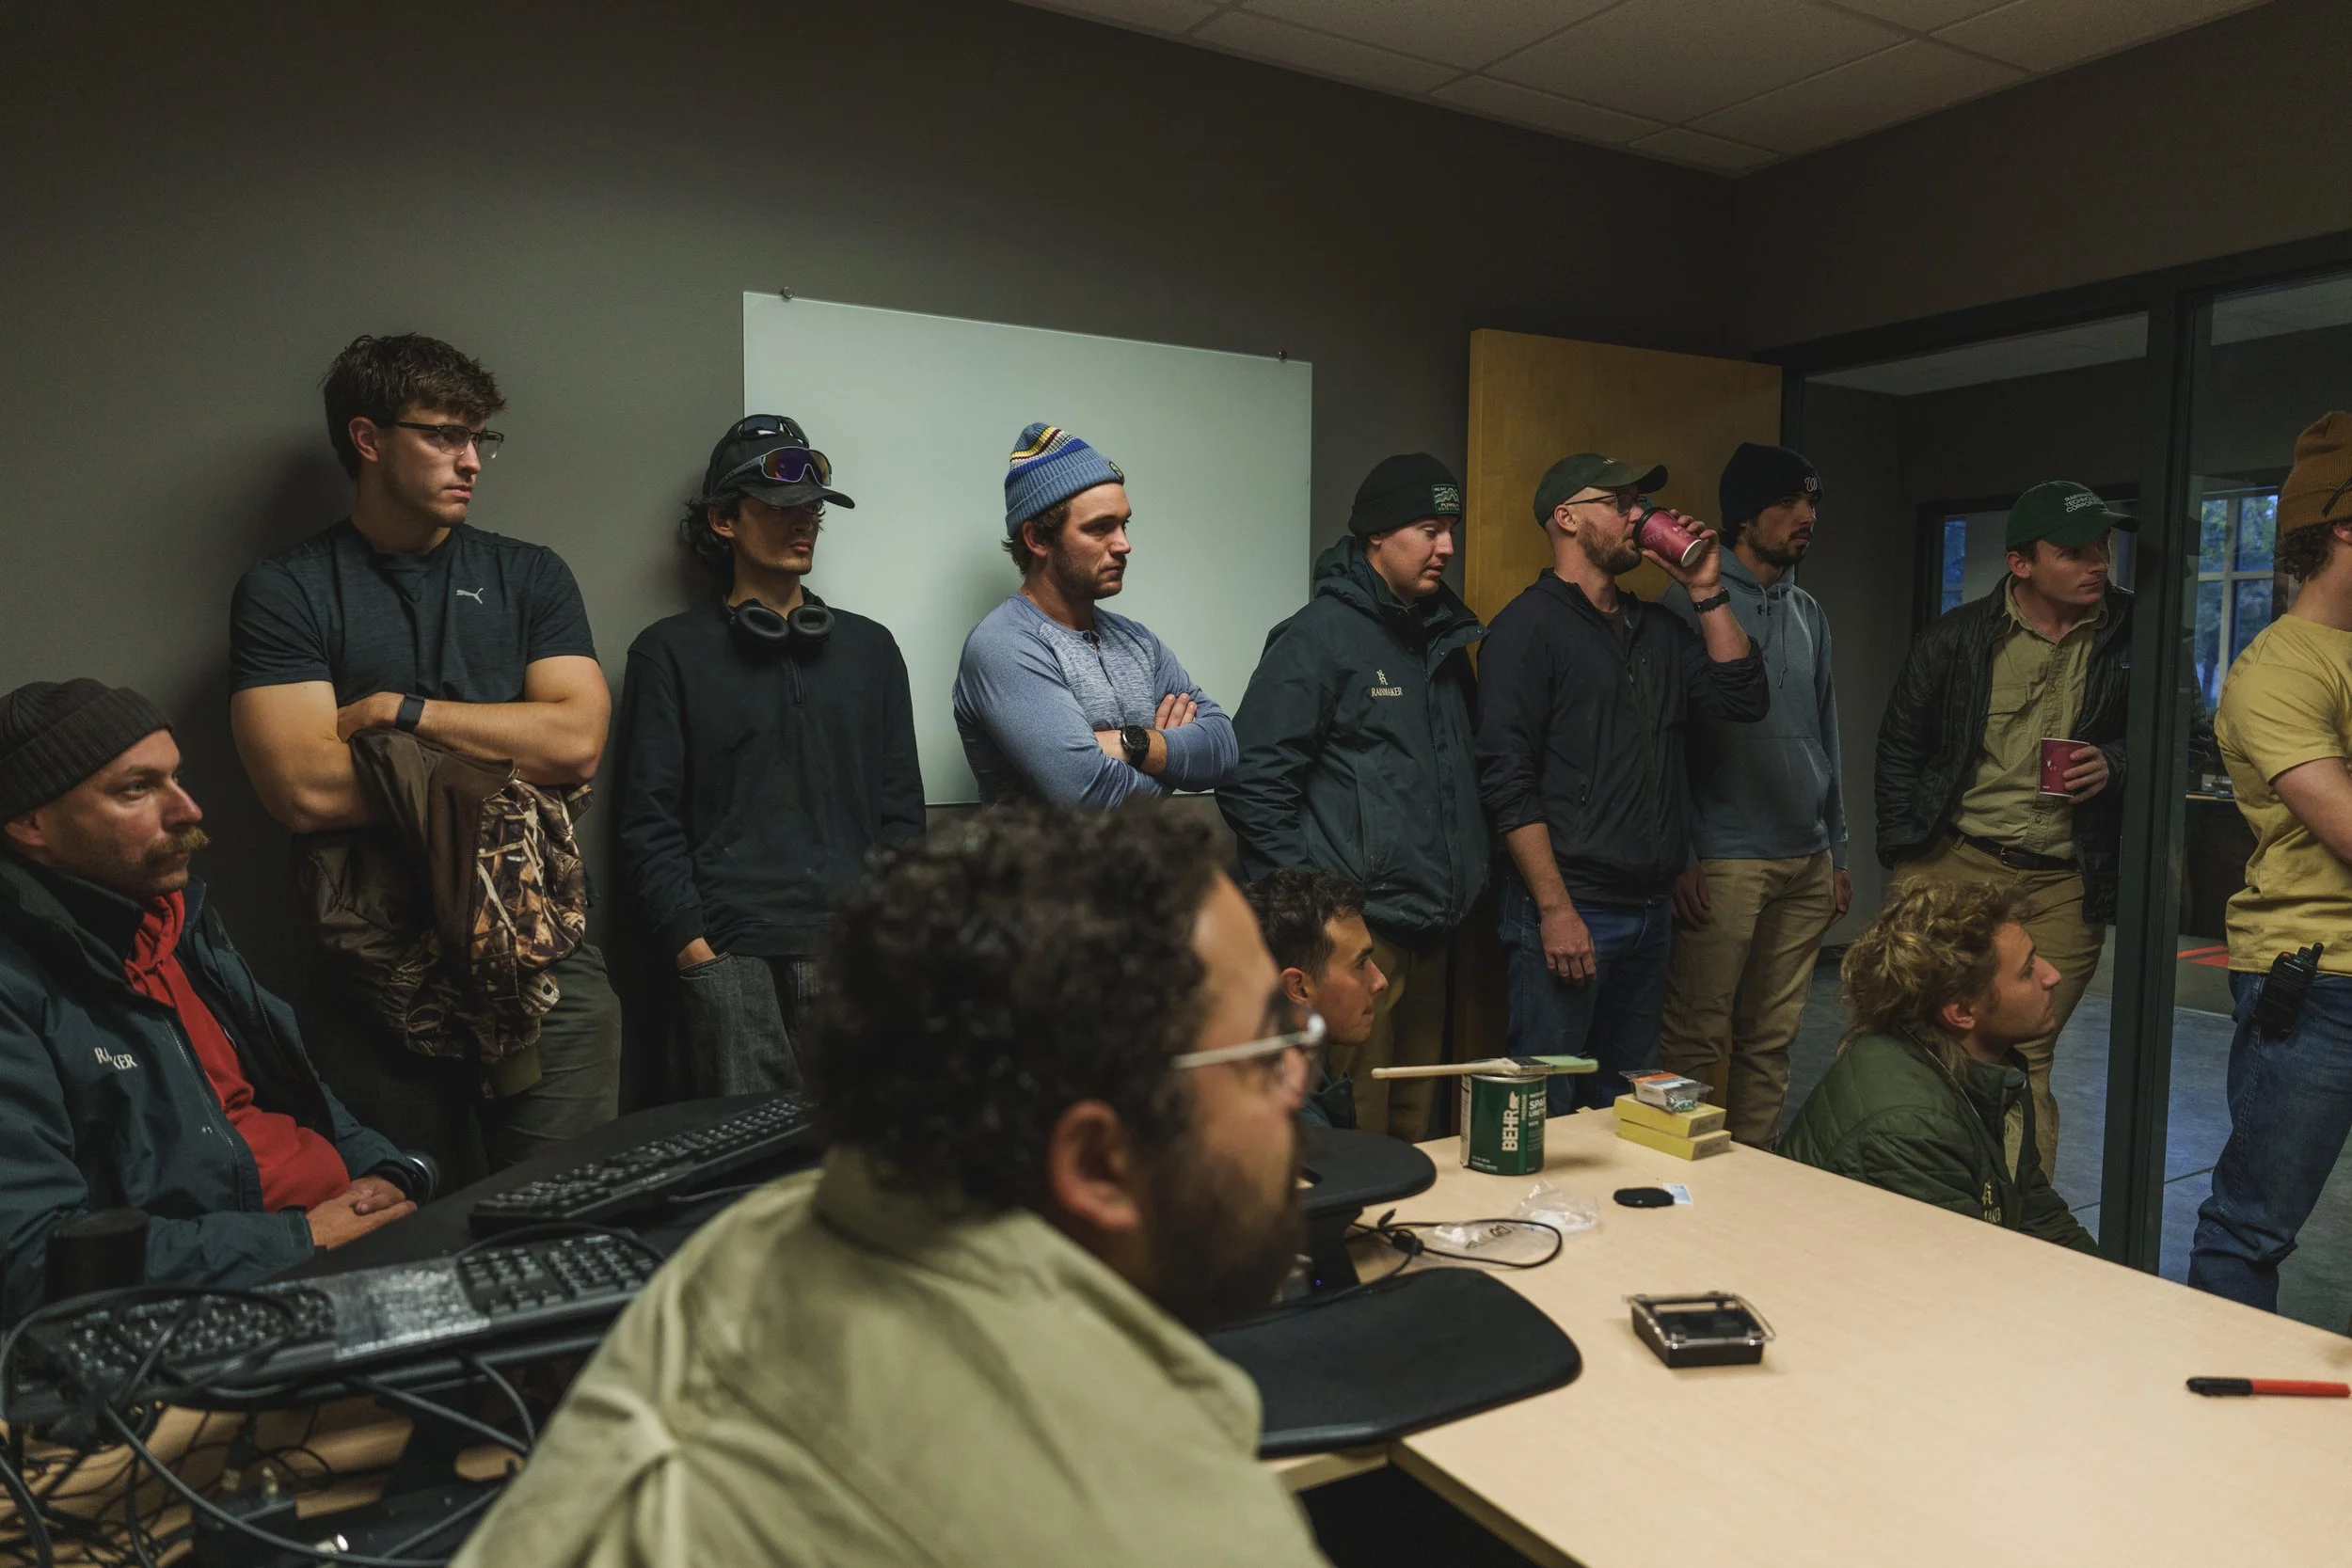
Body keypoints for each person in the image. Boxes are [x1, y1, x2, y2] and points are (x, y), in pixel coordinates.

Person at [448, 806, 1329, 1568]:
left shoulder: (758, 1237)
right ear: (1099, 1163)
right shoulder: (1181, 1533)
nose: (1301, 1079)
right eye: (1264, 1053)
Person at [229, 333, 621, 1178]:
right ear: (368, 440)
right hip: (374, 962)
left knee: (570, 1209)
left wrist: (397, 716)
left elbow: (578, 739)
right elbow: (301, 787)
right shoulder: (288, 589)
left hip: (540, 946)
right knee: (405, 1223)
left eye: (481, 437)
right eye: (444, 435)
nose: (471, 459)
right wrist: (505, 754)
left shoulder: (531, 576)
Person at [0, 682, 428, 1324]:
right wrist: (300, 1240)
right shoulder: (19, 985)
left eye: (176, 778)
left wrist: (390, 1170)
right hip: (232, 1303)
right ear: (31, 823)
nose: (188, 810)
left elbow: (298, 1097)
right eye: (136, 789)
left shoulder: (178, 921)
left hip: (336, 1246)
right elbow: (35, 1261)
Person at [616, 415, 923, 1099]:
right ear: (725, 520)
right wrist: (694, 946)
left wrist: (890, 938)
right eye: (781, 506)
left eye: (812, 508)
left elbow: (901, 811)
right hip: (731, 959)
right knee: (746, 1175)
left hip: (853, 955)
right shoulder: (669, 652)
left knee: (861, 1167)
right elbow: (647, 820)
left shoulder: (871, 650)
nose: (803, 522)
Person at [1475, 453, 1768, 1115]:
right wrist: (1555, 910)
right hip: (1571, 907)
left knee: (1624, 1110)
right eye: (1619, 502)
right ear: (1567, 517)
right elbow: (1506, 780)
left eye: (1640, 502)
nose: (1638, 516)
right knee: (1546, 1101)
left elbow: (1742, 699)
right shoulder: (1525, 629)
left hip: (1648, 912)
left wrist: (1705, 590)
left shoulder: (1657, 629)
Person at [1873, 479, 2134, 1177]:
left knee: (2026, 1053)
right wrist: (1905, 855)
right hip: (1954, 863)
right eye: (2074, 551)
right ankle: (1902, 1193)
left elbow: (2191, 745)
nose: (2097, 563)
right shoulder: (1956, 638)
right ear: (2021, 563)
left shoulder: (2137, 634)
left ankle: (2022, 1223)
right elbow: (1901, 745)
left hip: (2062, 883)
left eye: (2103, 547)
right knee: (1908, 1036)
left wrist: (2116, 762)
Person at [1221, 453, 1485, 1141]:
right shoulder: (1317, 638)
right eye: (1429, 529)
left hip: (1436, 928)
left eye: (1451, 528)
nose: (1447, 547)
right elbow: (1253, 781)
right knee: (1355, 1129)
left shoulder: (1444, 640)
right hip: (1360, 944)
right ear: (1375, 536)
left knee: (1420, 1126)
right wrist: (1319, 914)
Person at [2189, 413, 2352, 1312]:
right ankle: (2219, 1436)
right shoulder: (2278, 669)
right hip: (2321, 980)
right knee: (2252, 1227)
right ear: (2342, 525)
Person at [1656, 444, 1849, 1147]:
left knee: (1773, 1040)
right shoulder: (1688, 602)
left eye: (1813, 505)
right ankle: (1677, 1181)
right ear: (1743, 518)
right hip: (1725, 858)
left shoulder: (1809, 611)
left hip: (1806, 857)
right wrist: (1683, 853)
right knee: (1697, 1037)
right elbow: (1666, 739)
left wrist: (1839, 846)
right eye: (1788, 505)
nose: (1806, 518)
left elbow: (1827, 728)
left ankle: (1754, 1175)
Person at [1777, 880, 2097, 1256]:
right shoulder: (1910, 1127)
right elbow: (1966, 1276)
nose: (2051, 975)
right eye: (2027, 971)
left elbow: (2037, 1214)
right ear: (1961, 1012)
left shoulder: (1989, 1073)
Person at [953, 423, 1235, 805]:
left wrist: (1131, 744)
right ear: (1037, 538)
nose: (1124, 544)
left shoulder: (1138, 641)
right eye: (1100, 528)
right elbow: (1089, 796)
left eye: (1124, 524)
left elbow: (1223, 748)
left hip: (1144, 865)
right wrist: (1173, 770)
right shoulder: (1004, 644)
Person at [1245, 866, 1389, 1128]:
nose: (1380, 981)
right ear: (1298, 989)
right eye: (1360, 964)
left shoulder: (1298, 1056)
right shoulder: (1292, 1125)